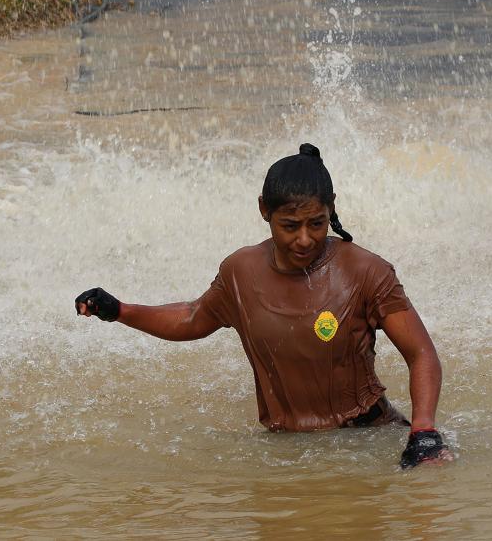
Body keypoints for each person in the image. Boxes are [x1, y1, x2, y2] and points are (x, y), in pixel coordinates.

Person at [75, 143, 451, 468]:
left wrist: (424, 432)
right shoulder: (241, 272)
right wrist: (120, 311)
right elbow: (192, 318)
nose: (305, 239)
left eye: (317, 224)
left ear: (331, 210)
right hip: (284, 452)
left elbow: (421, 354)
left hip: (367, 443)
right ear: (263, 211)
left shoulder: (366, 271)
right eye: (290, 226)